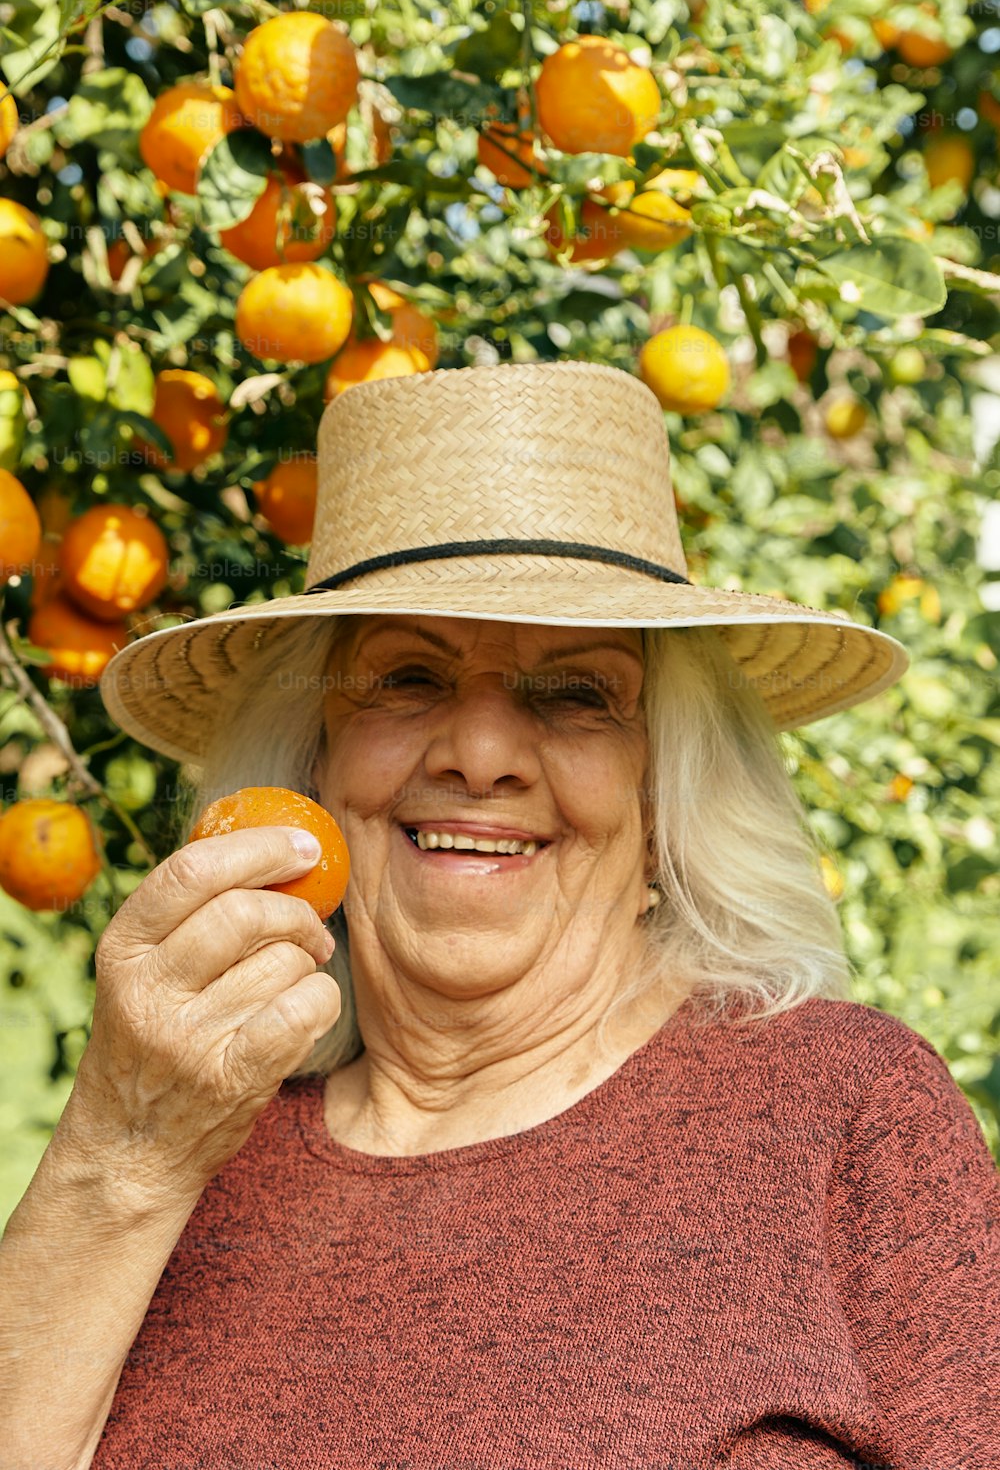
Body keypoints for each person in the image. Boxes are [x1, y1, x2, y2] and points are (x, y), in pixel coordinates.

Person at [1, 361, 996, 1470]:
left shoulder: (838, 1111)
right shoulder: (183, 1161)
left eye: (575, 696)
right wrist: (122, 1149)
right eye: (407, 678)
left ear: (663, 794)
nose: (477, 756)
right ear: (315, 766)